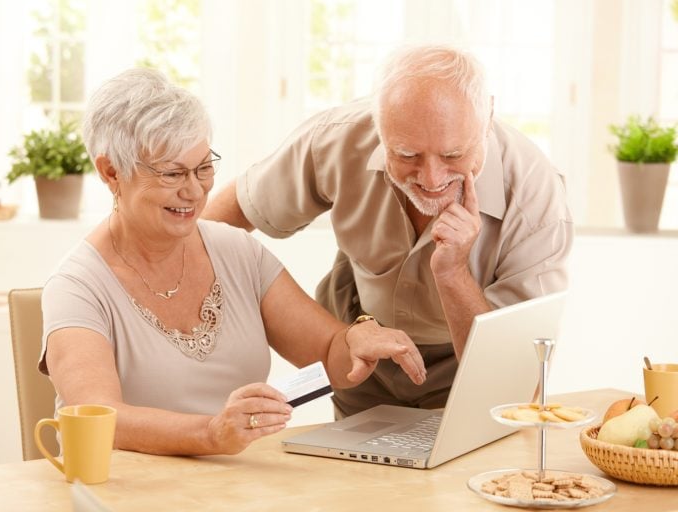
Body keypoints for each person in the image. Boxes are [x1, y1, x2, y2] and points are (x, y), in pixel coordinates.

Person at [38, 68, 426, 457]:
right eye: (172, 173)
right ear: (111, 172)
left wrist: (357, 341)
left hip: (232, 483)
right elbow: (97, 416)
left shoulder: (238, 252)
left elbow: (328, 354)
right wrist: (210, 434)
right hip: (123, 485)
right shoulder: (77, 287)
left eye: (204, 168)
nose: (194, 191)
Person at [203, 45, 573, 418]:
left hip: (465, 363)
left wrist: (453, 273)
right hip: (360, 344)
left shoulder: (535, 199)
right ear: (378, 126)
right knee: (348, 458)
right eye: (407, 155)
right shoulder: (339, 138)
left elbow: (516, 384)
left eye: (453, 155)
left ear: (487, 117)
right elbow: (235, 210)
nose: (432, 180)